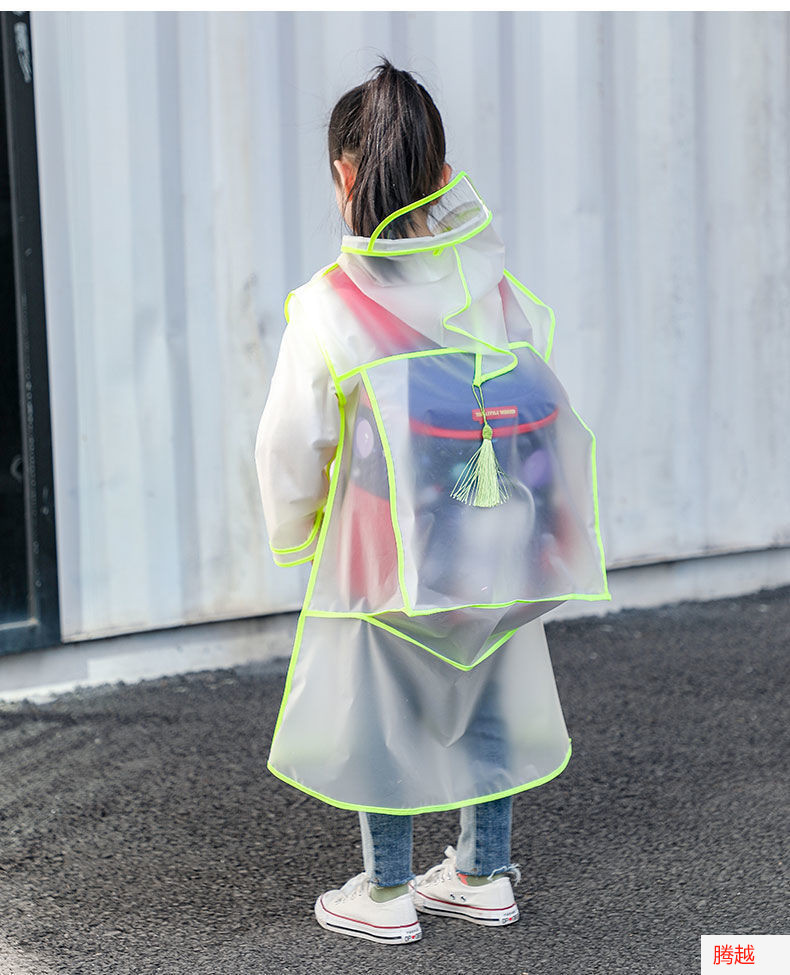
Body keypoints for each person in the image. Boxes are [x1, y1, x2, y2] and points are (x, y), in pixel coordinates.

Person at [255, 59, 609, 946]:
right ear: (444, 175)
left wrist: (296, 532)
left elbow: (292, 443)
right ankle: (483, 874)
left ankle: (386, 892)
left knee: (385, 710)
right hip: (494, 532)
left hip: (382, 552)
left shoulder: (330, 306)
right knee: (486, 688)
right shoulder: (490, 285)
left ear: (344, 176)